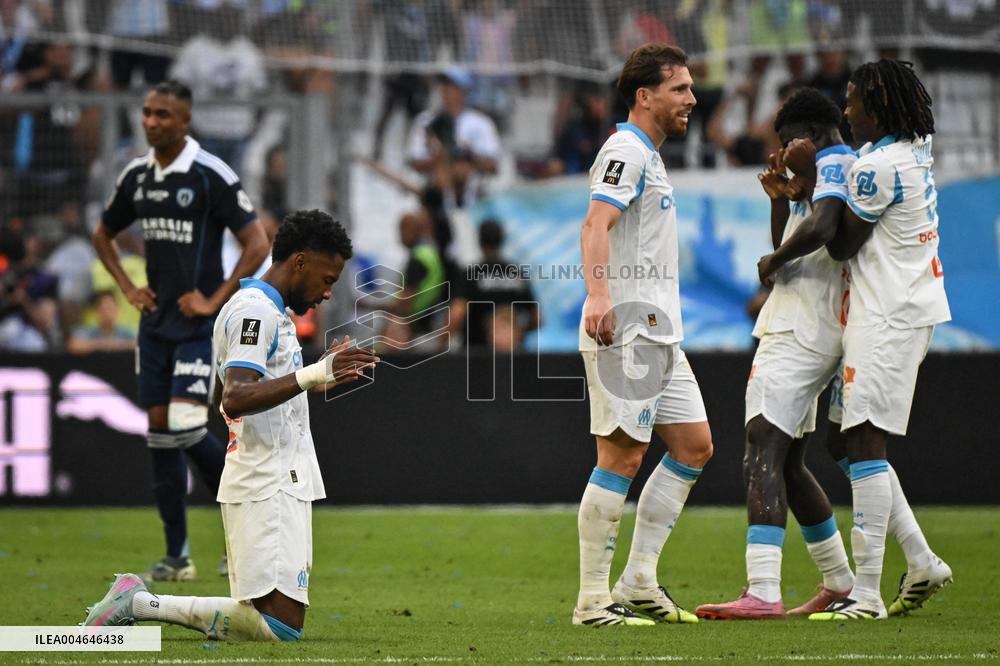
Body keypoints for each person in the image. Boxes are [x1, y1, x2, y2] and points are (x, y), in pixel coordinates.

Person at [84, 209, 380, 640]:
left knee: (279, 623)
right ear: (300, 262)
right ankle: (138, 603)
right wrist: (314, 373)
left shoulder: (268, 312)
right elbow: (235, 397)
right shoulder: (254, 312)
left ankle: (138, 603)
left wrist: (319, 377)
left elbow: (237, 391)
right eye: (327, 279)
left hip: (278, 478)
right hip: (267, 483)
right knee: (280, 626)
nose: (327, 292)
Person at [766, 60, 953, 620]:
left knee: (865, 443)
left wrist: (815, 174)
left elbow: (840, 244)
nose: (846, 112)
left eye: (852, 101)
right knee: (843, 444)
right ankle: (920, 560)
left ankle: (866, 594)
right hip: (899, 307)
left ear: (879, 105)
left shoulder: (877, 167)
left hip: (888, 314)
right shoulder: (911, 150)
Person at [92, 80, 270, 582]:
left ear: (185, 121)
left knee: (186, 425)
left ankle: (245, 527)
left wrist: (214, 300)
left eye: (163, 115)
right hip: (155, 326)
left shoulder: (210, 174)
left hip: (198, 327)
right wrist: (128, 286)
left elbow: (257, 243)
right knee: (159, 432)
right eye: (147, 113)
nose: (152, 122)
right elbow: (103, 233)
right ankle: (177, 557)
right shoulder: (137, 176)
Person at [694, 88, 857, 620]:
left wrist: (773, 258)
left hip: (800, 328)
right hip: (809, 319)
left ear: (808, 136)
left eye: (786, 142)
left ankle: (763, 588)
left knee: (760, 443)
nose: (781, 152)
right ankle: (839, 579)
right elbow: (797, 246)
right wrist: (781, 203)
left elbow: (819, 234)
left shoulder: (834, 164)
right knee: (788, 462)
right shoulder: (822, 174)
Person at [574, 43, 712, 627]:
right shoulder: (626, 150)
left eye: (690, 88)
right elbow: (595, 224)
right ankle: (591, 600)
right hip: (627, 329)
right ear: (645, 96)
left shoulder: (649, 156)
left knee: (694, 446)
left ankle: (638, 580)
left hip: (659, 333)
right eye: (680, 88)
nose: (692, 98)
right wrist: (598, 295)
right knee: (622, 456)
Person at [453, 219, 539, 349]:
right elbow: (537, 318)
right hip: (511, 354)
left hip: (475, 352)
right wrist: (518, 334)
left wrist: (441, 344)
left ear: (480, 241)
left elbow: (457, 313)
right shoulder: (516, 273)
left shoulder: (471, 274)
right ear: (502, 241)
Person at [67, 291, 135, 354]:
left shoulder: (126, 332)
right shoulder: (88, 332)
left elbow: (137, 344)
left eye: (110, 309)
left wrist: (116, 345)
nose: (107, 313)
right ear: (97, 311)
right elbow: (73, 345)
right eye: (104, 309)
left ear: (118, 310)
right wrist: (102, 344)